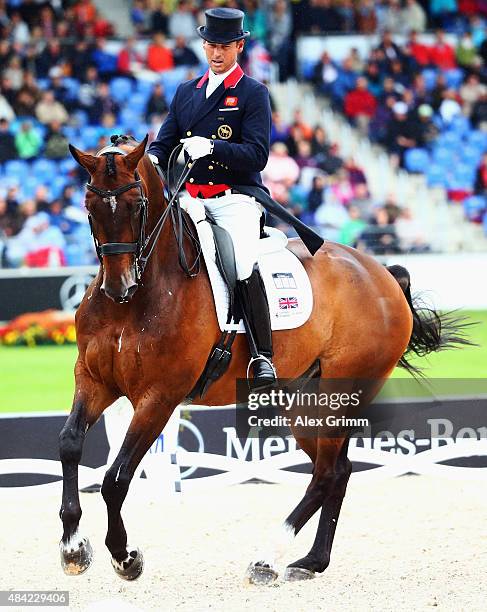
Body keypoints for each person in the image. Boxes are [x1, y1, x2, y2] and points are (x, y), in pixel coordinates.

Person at [147, 7, 323, 389]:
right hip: (190, 199)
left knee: (242, 263)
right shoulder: (185, 92)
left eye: (224, 46)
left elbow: (257, 154)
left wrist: (211, 146)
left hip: (234, 200)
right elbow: (162, 143)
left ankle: (263, 357)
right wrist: (147, 160)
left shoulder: (253, 93)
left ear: (239, 46)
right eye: (210, 44)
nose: (216, 52)